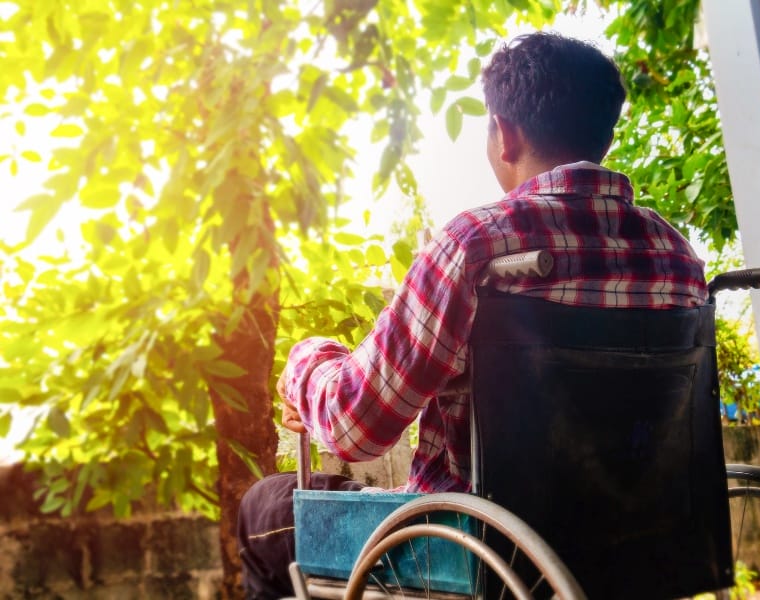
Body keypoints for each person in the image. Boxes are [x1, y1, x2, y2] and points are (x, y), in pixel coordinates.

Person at [238, 31, 708, 598]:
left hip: (480, 551)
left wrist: (306, 361)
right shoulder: (676, 254)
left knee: (263, 507)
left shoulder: (478, 244)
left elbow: (355, 427)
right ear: (603, 133)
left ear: (504, 135)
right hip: (636, 542)